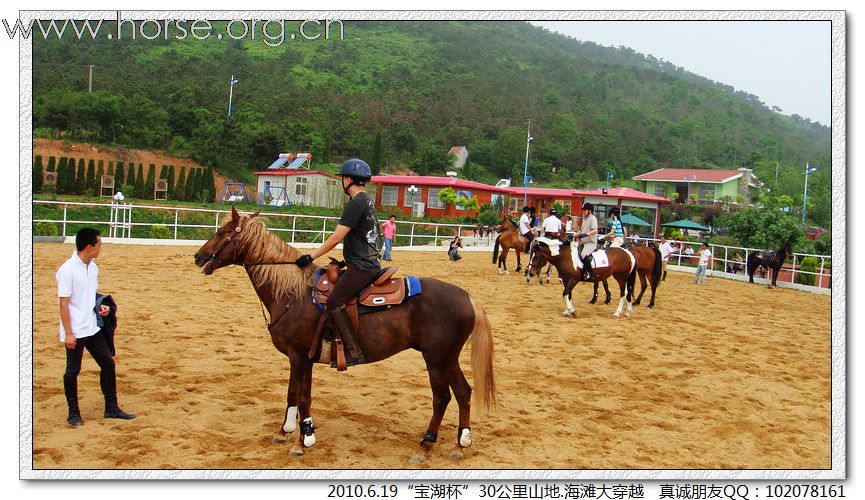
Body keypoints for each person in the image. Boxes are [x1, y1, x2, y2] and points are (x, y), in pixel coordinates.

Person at [295, 159, 382, 366]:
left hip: (362, 267)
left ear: (349, 179)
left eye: (343, 177)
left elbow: (336, 238)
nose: (342, 181)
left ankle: (354, 351)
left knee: (334, 301)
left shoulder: (356, 203)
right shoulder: (366, 200)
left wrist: (311, 257)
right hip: (364, 262)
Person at [57, 228, 135, 427]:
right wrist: (68, 333)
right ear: (90, 247)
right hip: (75, 329)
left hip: (92, 326)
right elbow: (63, 303)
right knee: (72, 371)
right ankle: (73, 413)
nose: (101, 247)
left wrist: (101, 306)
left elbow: (90, 294)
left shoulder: (93, 267)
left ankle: (111, 408)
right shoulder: (67, 270)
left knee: (108, 364)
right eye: (99, 244)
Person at [576, 202, 599, 281]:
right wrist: (575, 235)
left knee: (583, 254)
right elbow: (581, 231)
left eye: (584, 210)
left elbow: (595, 230)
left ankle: (590, 273)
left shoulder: (593, 218)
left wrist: (586, 234)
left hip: (591, 243)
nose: (583, 211)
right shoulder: (585, 219)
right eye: (583, 210)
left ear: (589, 211)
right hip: (583, 242)